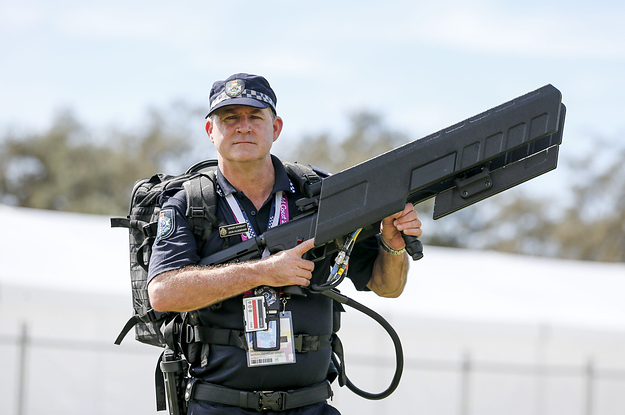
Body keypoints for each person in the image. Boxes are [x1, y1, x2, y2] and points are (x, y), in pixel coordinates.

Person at [147, 73, 422, 414]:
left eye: (254, 117)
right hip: (219, 405)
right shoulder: (190, 203)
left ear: (275, 128)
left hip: (310, 405)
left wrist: (392, 246)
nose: (243, 127)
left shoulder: (319, 193)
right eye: (229, 118)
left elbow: (386, 286)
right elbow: (163, 293)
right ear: (211, 132)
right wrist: (264, 272)